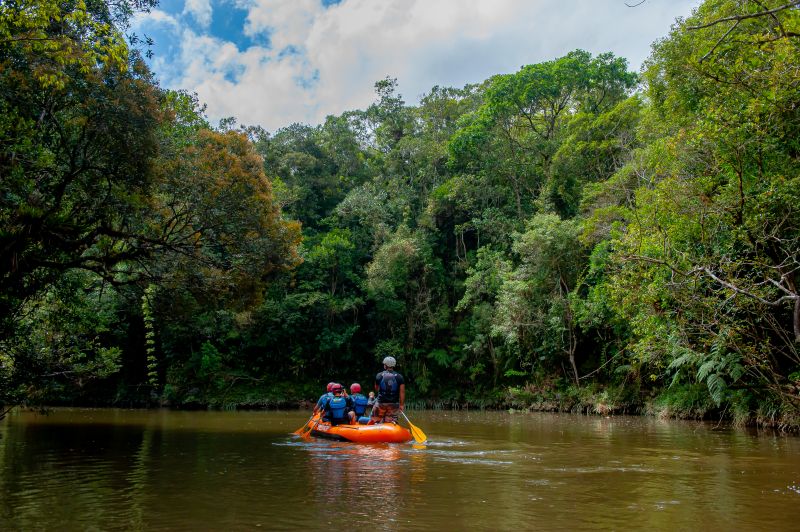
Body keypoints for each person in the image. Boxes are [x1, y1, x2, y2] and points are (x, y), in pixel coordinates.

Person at [369, 356, 405, 424]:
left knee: (375, 419)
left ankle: (375, 424)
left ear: (385, 365)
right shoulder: (400, 377)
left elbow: (377, 389)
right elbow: (402, 392)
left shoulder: (379, 375)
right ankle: (391, 424)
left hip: (381, 403)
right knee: (390, 421)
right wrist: (402, 405)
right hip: (394, 404)